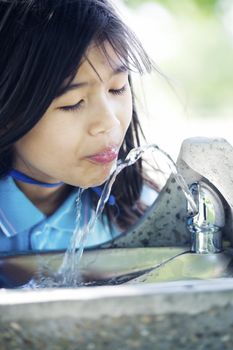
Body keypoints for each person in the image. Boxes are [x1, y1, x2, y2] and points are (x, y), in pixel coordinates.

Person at [0, 0, 157, 254]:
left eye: (117, 87)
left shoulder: (144, 215)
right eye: (73, 103)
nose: (109, 122)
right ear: (7, 112)